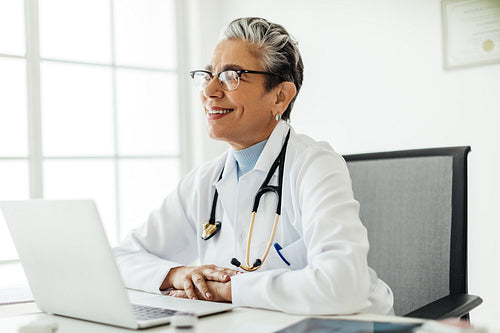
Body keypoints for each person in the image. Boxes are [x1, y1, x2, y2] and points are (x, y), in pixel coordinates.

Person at [114, 17, 393, 315]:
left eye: (230, 76)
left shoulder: (314, 164)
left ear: (280, 96)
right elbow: (120, 258)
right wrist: (176, 274)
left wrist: (229, 290)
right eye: (208, 75)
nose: (209, 90)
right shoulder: (205, 180)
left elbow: (343, 286)